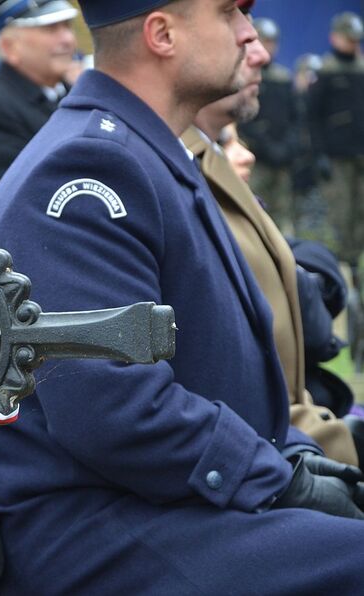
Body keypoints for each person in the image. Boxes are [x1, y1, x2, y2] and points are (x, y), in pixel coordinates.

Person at [0, 1, 364, 593]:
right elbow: (113, 411)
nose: (251, 36)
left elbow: (221, 373)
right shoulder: (90, 167)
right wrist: (280, 481)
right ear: (162, 34)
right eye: (228, 13)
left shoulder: (149, 150)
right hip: (100, 527)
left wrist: (297, 458)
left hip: (163, 500)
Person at [182, 10, 360, 466]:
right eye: (223, 142)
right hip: (265, 445)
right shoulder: (180, 176)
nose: (258, 52)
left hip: (284, 433)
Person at [0, 0, 78, 226]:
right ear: (10, 48)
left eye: (67, 26)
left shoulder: (75, 94)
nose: (68, 39)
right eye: (51, 29)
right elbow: (25, 200)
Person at [307, 11, 364, 269]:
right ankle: (342, 266)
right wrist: (319, 154)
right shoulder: (326, 71)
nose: (353, 43)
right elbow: (313, 117)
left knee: (360, 214)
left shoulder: (361, 69)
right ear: (335, 38)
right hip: (337, 157)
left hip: (360, 153)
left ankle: (357, 265)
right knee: (340, 215)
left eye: (356, 38)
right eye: (348, 38)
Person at [236, 17, 298, 234]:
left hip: (282, 159)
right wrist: (264, 146)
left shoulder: (283, 78)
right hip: (256, 158)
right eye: (264, 41)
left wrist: (288, 147)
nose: (269, 47)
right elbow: (242, 119)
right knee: (255, 212)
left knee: (282, 216)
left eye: (272, 42)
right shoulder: (242, 75)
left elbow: (296, 117)